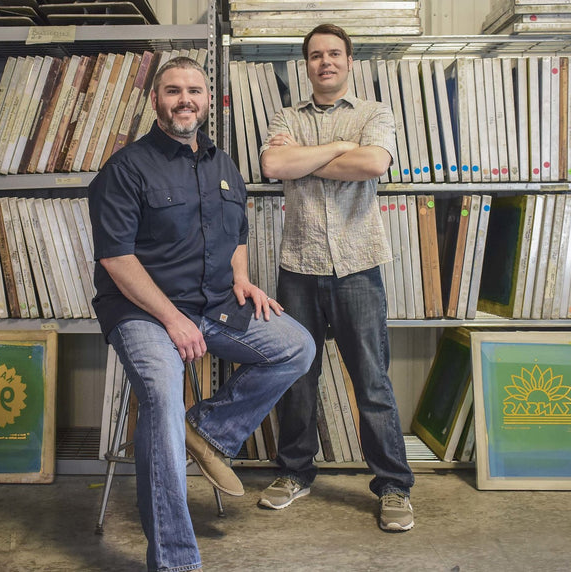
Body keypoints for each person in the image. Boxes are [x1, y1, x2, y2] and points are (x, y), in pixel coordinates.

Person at [88, 56, 315, 571]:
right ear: (155, 100)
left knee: (297, 346)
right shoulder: (125, 169)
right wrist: (171, 319)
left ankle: (209, 430)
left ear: (208, 100)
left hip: (213, 304)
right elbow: (117, 259)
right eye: (173, 91)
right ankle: (175, 561)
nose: (184, 99)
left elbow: (235, 232)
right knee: (163, 401)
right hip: (143, 312)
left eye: (194, 90)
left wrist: (241, 277)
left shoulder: (223, 163)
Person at [257, 24, 416, 532]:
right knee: (298, 379)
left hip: (358, 266)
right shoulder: (285, 116)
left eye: (334, 54)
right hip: (298, 267)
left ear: (350, 61)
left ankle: (393, 486)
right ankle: (295, 474)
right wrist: (338, 147)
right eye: (315, 55)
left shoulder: (375, 114)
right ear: (305, 65)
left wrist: (309, 157)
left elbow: (372, 162)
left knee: (371, 381)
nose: (325, 62)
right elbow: (273, 163)